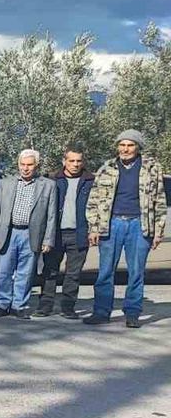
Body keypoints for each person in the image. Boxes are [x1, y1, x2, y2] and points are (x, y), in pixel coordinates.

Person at [85, 130, 167, 328]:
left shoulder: (151, 168)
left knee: (136, 272)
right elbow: (94, 199)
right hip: (111, 224)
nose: (125, 149)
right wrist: (93, 227)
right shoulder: (107, 168)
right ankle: (101, 312)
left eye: (130, 145)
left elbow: (159, 200)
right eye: (122, 145)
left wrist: (158, 231)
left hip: (139, 225)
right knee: (105, 271)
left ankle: (132, 313)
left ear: (138, 147)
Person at [0, 149, 57, 319]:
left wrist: (48, 240)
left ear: (36, 165)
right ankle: (1, 304)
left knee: (25, 273)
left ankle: (19, 305)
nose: (25, 168)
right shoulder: (5, 183)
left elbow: (51, 215)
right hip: (8, 232)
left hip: (31, 234)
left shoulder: (48, 185)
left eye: (29, 165)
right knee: (3, 270)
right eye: (22, 164)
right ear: (18, 164)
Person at [36, 147, 94, 319]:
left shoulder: (90, 181)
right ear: (64, 161)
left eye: (79, 161)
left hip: (79, 233)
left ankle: (68, 307)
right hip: (55, 233)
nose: (75, 164)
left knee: (73, 274)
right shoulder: (52, 180)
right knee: (49, 271)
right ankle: (45, 305)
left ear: (83, 162)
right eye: (71, 160)